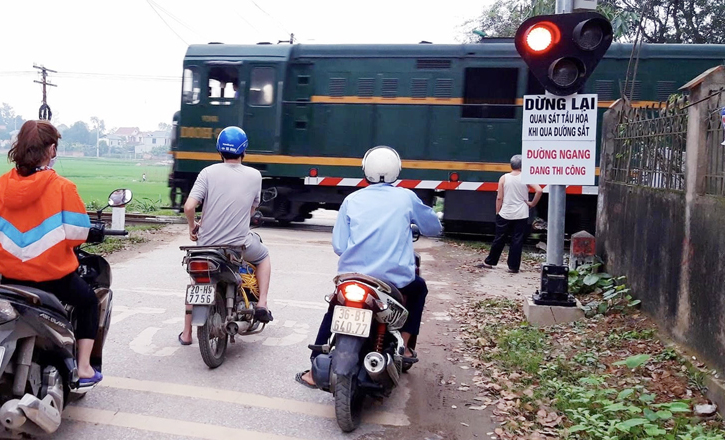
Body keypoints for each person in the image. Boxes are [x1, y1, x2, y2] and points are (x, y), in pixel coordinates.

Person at [296, 145, 442, 389]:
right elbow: (433, 228)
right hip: (394, 281)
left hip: (353, 278)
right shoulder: (406, 197)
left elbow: (340, 246)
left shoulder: (352, 199)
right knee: (419, 289)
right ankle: (404, 348)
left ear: (365, 171)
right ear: (397, 171)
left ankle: (313, 370)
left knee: (334, 306)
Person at [0, 120, 101, 388]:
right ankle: (83, 367)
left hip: (10, 279)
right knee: (88, 303)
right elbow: (76, 234)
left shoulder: (0, 186)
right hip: (53, 279)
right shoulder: (62, 187)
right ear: (50, 149)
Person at [179, 126, 272, 346]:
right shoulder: (254, 175)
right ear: (244, 151)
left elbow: (189, 206)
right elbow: (251, 208)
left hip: (206, 247)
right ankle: (262, 305)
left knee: (196, 284)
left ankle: (187, 333)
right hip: (238, 246)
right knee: (264, 256)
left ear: (219, 151)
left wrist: (193, 226)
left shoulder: (208, 172)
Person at [478, 154, 542, 274]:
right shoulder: (526, 177)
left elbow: (499, 197)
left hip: (505, 213)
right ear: (522, 166)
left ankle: (490, 262)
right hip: (521, 213)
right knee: (517, 240)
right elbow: (539, 190)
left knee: (499, 238)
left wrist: (498, 212)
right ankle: (513, 267)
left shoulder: (504, 178)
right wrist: (532, 204)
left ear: (511, 165)